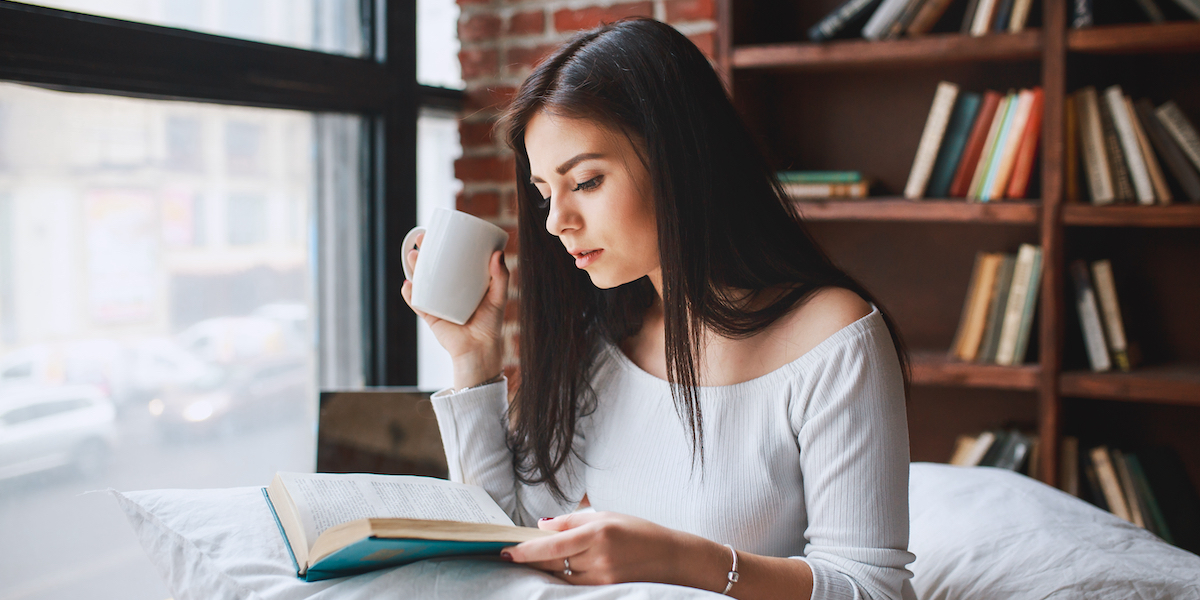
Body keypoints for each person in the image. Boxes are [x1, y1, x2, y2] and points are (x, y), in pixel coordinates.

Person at [402, 17, 915, 600]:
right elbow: (508, 537)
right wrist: (472, 359)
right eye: (545, 193)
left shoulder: (833, 338)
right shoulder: (602, 341)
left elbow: (872, 589)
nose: (555, 222)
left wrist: (677, 559)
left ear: (680, 160)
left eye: (586, 181)